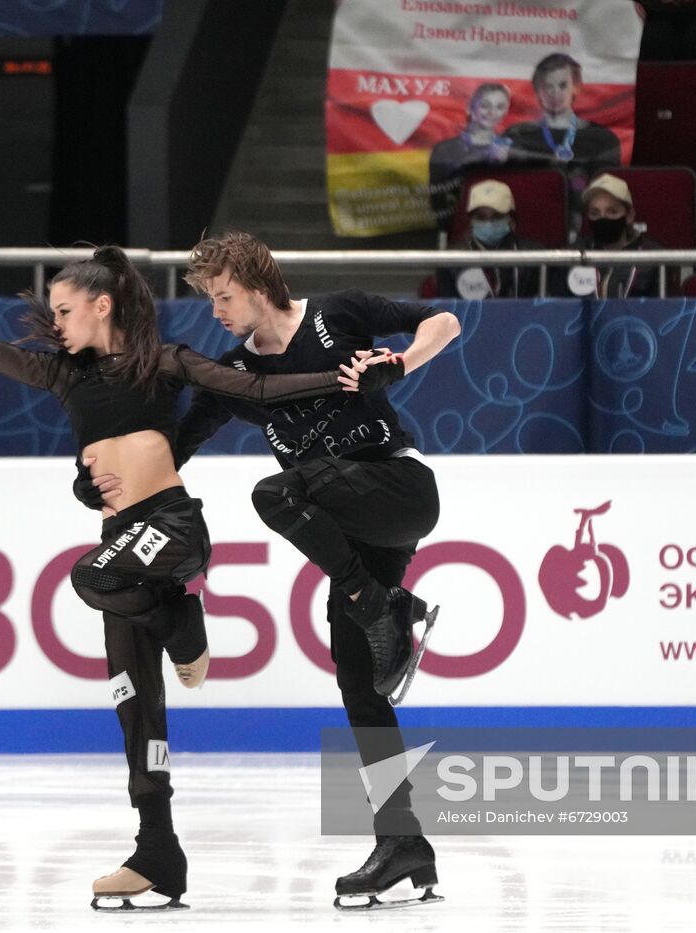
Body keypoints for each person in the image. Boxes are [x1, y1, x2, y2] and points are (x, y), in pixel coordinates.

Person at [0, 247, 370, 911]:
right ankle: (158, 851)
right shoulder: (61, 375)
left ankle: (181, 620)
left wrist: (342, 383)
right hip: (124, 545)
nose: (56, 323)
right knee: (134, 701)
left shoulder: (165, 363)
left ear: (101, 305)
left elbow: (254, 391)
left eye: (64, 310)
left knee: (90, 577)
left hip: (170, 528)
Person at [91, 231, 460, 909]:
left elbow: (445, 319)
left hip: (401, 489)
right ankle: (404, 840)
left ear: (259, 285)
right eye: (210, 300)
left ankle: (381, 602)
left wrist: (397, 364)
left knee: (275, 492)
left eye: (225, 297)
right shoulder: (238, 373)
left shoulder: (336, 314)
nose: (218, 312)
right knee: (358, 675)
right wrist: (118, 477)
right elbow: (181, 443)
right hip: (354, 530)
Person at [503, 54, 623, 232]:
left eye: (562, 85)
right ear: (537, 90)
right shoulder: (517, 136)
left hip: (587, 230)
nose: (555, 94)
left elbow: (607, 195)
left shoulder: (602, 139)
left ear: (576, 87)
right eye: (547, 86)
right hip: (528, 226)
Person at [436, 179, 548, 299]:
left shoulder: (534, 255)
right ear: (470, 220)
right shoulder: (451, 260)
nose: (488, 223)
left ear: (510, 218)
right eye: (481, 217)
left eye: (497, 216)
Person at [563, 173, 666, 298]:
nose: (603, 218)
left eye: (612, 211)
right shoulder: (573, 255)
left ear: (629, 216)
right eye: (595, 213)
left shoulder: (654, 257)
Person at [427, 83, 514, 230]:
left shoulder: (511, 148)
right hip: (460, 226)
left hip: (503, 225)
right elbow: (437, 198)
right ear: (470, 107)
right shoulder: (445, 149)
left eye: (499, 107)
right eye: (485, 105)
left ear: (505, 112)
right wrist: (451, 228)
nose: (492, 112)